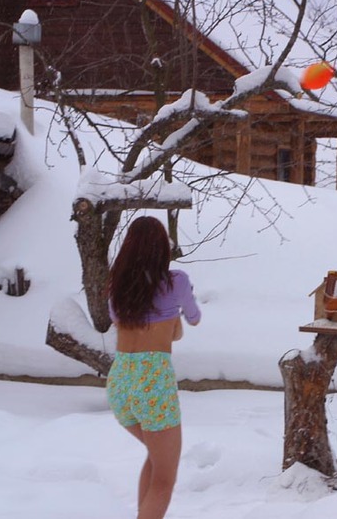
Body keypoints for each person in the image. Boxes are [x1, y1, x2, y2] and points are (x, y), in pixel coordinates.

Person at [106, 216, 201, 518]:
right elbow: (194, 317)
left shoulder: (117, 288)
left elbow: (128, 319)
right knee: (165, 477)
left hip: (120, 380)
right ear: (163, 249)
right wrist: (175, 319)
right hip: (153, 381)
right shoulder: (177, 282)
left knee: (157, 458)